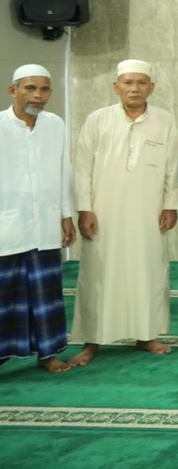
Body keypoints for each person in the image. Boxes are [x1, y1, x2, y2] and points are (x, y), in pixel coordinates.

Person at [69, 59, 178, 366]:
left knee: (148, 271)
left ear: (151, 88)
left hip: (148, 212)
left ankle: (147, 335)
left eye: (141, 83)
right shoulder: (98, 119)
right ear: (116, 86)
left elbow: (172, 167)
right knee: (97, 274)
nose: (135, 88)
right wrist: (84, 208)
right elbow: (82, 168)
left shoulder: (164, 120)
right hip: (103, 213)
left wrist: (170, 204)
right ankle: (92, 340)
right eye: (128, 83)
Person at [0, 65, 75, 373]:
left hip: (45, 223)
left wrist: (66, 214)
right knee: (5, 294)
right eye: (30, 88)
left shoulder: (55, 125)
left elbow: (63, 171)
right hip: (7, 226)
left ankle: (49, 353)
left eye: (44, 89)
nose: (38, 95)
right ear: (13, 90)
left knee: (47, 294)